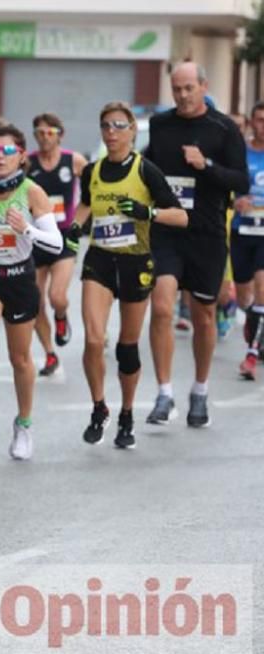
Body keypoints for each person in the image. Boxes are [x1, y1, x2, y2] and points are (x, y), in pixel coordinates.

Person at [70, 102, 186, 448]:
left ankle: (127, 413)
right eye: (106, 126)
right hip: (101, 260)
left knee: (127, 347)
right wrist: (75, 226)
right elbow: (87, 203)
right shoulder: (91, 170)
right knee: (93, 340)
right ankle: (99, 407)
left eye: (119, 126)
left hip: (136, 263)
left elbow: (180, 217)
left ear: (133, 131)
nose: (112, 132)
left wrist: (146, 211)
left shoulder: (147, 170)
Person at [144, 62, 249, 427]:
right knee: (161, 307)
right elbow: (145, 168)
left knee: (204, 315)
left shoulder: (224, 129)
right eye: (177, 89)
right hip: (167, 231)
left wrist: (205, 166)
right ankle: (164, 392)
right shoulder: (160, 125)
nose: (183, 96)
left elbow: (242, 181)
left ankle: (200, 390)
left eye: (189, 88)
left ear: (204, 86)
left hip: (206, 234)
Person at [0, 124, 63, 460]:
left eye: (7, 151)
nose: (0, 157)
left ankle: (24, 424)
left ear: (21, 156)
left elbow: (56, 242)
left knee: (20, 359)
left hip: (20, 278)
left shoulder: (33, 193)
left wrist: (27, 229)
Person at [27, 113, 88, 377]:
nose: (44, 138)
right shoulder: (28, 163)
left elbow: (93, 186)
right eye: (39, 133)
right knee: (34, 301)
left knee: (57, 297)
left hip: (63, 238)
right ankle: (50, 353)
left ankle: (61, 317)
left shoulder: (73, 161)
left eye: (49, 133)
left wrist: (82, 219)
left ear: (59, 134)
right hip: (37, 238)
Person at [232, 101, 264, 380]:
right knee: (244, 296)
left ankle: (252, 355)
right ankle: (253, 316)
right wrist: (236, 200)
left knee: (262, 288)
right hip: (242, 230)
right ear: (252, 122)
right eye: (259, 120)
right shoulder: (240, 152)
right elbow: (226, 183)